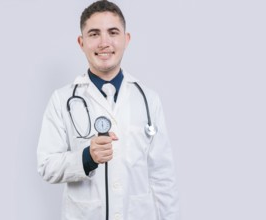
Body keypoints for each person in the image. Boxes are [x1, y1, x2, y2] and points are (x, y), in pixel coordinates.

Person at [37, 1, 179, 219]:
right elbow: (47, 166)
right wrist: (86, 157)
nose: (104, 42)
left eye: (113, 32)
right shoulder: (62, 100)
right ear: (81, 42)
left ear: (126, 39)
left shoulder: (149, 99)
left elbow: (162, 176)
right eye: (94, 34)